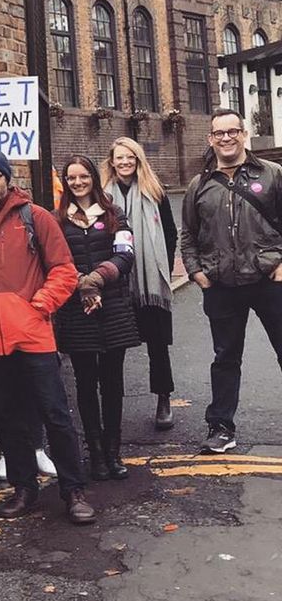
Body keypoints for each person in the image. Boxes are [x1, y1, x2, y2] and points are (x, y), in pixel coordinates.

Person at [0, 148, 94, 524]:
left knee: (55, 416)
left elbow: (64, 270)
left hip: (33, 338)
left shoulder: (36, 217)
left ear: (6, 178)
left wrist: (39, 306)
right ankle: (24, 488)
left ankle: (73, 490)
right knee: (8, 419)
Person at [180, 109, 282, 454]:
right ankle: (221, 427)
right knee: (225, 358)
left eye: (232, 131)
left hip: (268, 279)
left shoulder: (271, 175)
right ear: (211, 139)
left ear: (243, 134)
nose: (226, 138)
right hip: (221, 284)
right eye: (219, 133)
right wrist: (196, 272)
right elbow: (188, 235)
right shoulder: (200, 185)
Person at [54, 156, 140, 481]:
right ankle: (96, 454)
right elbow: (55, 260)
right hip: (77, 313)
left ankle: (113, 450)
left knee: (113, 384)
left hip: (113, 309)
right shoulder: (57, 220)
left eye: (83, 176)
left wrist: (97, 280)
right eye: (71, 177)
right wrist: (80, 285)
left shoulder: (114, 214)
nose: (78, 183)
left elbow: (126, 254)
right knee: (86, 385)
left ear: (93, 177)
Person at [102, 137, 179, 431]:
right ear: (111, 162)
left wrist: (163, 271)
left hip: (151, 284)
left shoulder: (154, 191)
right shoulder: (103, 197)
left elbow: (170, 234)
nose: (124, 163)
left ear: (138, 161)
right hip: (117, 283)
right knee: (113, 348)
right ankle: (112, 406)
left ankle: (163, 399)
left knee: (157, 346)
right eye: (119, 158)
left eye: (130, 158)